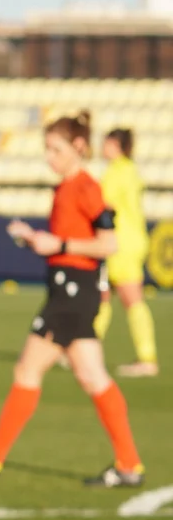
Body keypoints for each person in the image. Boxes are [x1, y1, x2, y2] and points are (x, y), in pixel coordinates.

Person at [0, 111, 145, 488]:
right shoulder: (68, 187)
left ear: (79, 148)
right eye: (47, 150)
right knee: (93, 376)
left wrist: (58, 244)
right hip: (71, 291)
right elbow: (68, 244)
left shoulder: (85, 186)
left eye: (56, 149)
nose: (49, 157)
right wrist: (38, 240)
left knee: (27, 370)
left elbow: (109, 243)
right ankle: (129, 465)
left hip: (72, 293)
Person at [94, 128, 158, 378]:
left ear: (116, 146)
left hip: (120, 243)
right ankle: (86, 347)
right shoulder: (131, 170)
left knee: (128, 298)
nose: (102, 147)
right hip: (133, 240)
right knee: (103, 295)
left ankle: (147, 358)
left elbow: (104, 207)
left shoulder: (116, 172)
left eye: (106, 143)